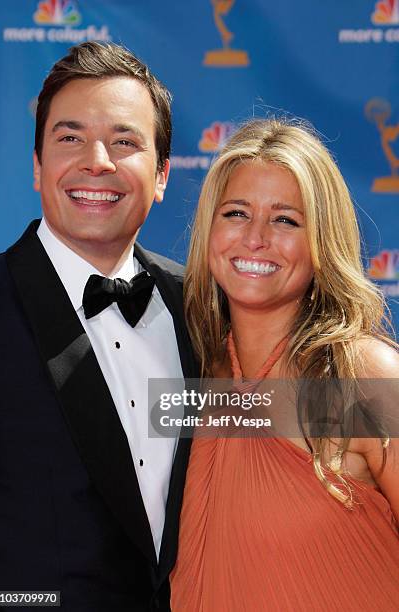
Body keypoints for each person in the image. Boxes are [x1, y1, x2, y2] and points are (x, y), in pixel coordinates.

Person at [0, 42, 198, 611]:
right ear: (37, 166)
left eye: (125, 142)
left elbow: (292, 424)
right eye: (70, 138)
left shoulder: (204, 305)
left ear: (160, 176)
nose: (97, 161)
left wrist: (376, 399)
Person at [171, 118, 399, 610]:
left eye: (285, 220)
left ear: (322, 240)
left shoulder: (361, 378)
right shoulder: (195, 370)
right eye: (236, 213)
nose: (255, 238)